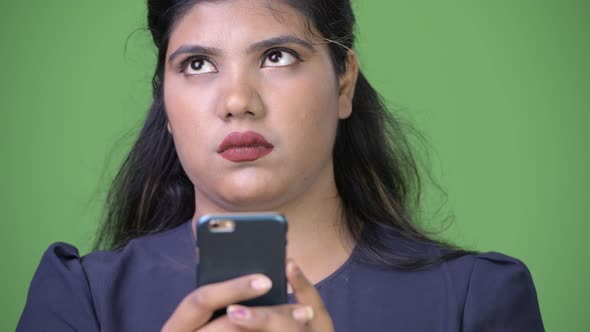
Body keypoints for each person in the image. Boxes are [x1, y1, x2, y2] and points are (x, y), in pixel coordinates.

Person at [17, 0, 545, 331]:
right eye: (197, 64)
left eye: (277, 56)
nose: (237, 100)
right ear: (165, 102)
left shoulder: (476, 301)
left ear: (344, 82)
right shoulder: (80, 299)